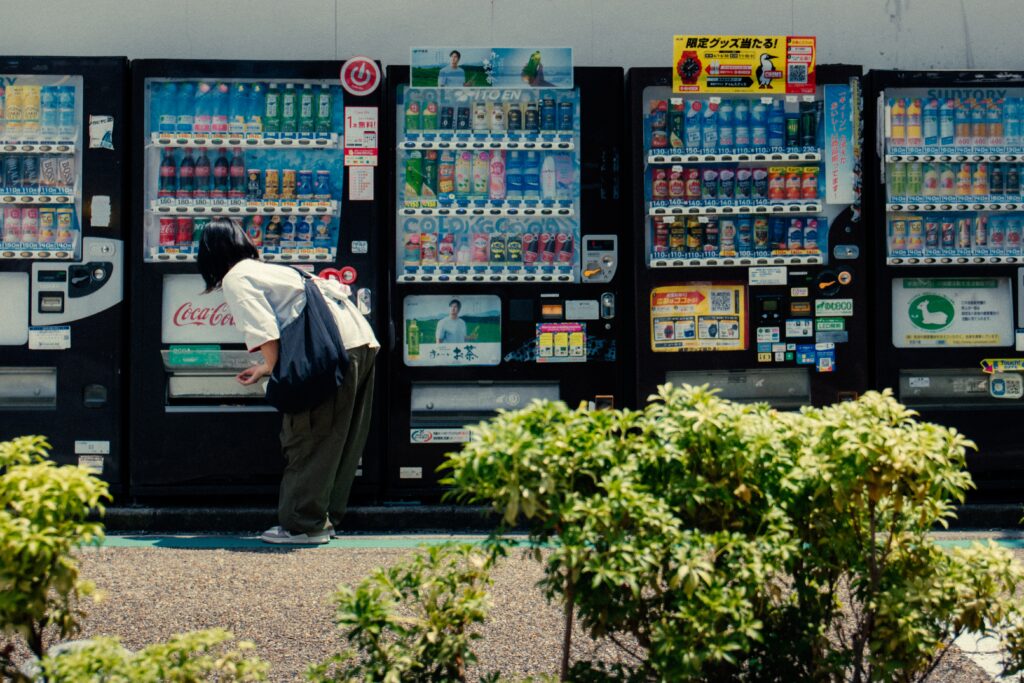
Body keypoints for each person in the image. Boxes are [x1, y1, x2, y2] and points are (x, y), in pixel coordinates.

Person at [197, 218, 379, 545]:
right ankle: (323, 520)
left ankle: (300, 525)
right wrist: (265, 368)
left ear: (209, 253)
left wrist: (280, 376)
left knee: (308, 434)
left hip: (332, 349)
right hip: (360, 343)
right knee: (342, 439)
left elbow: (265, 330)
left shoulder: (237, 278)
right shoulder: (270, 269)